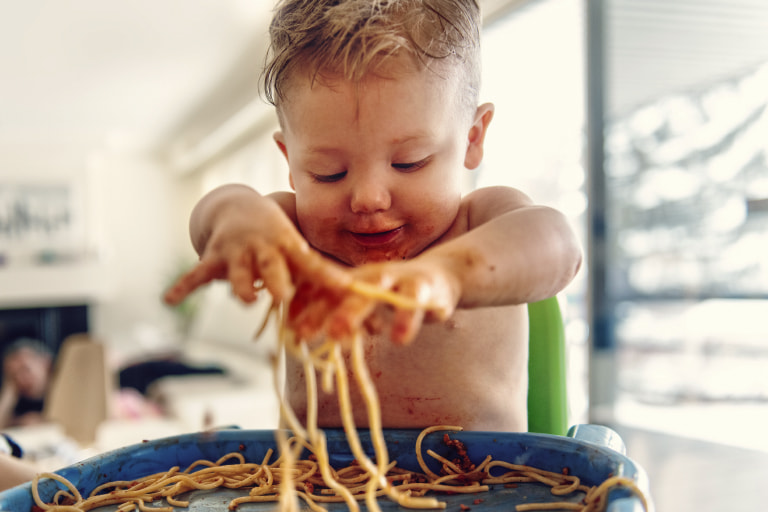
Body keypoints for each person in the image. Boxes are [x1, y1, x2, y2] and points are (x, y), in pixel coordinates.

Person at [164, 0, 582, 432]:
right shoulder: (292, 234)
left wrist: (450, 275)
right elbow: (211, 220)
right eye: (329, 173)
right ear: (290, 162)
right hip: (316, 489)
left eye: (409, 162)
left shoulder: (482, 223)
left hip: (481, 488)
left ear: (473, 139)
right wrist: (236, 217)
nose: (367, 198)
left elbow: (558, 246)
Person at [0, 338, 52, 429]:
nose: (20, 379)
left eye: (25, 370)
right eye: (13, 375)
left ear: (45, 363)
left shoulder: (65, 390)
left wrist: (44, 421)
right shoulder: (18, 399)